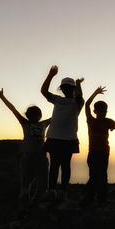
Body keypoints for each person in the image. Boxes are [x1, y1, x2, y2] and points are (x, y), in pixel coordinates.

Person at [0, 86, 50, 210]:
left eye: (36, 115)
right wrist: (2, 97)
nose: (34, 117)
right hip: (28, 157)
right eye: (32, 115)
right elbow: (13, 110)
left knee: (43, 185)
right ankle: (24, 208)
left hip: (40, 157)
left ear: (40, 115)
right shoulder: (25, 123)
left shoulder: (43, 124)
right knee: (25, 186)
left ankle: (33, 205)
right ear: (28, 116)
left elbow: (57, 116)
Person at [41, 65, 84, 201]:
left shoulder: (78, 102)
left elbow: (79, 97)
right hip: (54, 136)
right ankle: (51, 190)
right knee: (54, 165)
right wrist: (50, 75)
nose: (66, 90)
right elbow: (44, 91)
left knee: (65, 165)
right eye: (64, 87)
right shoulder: (57, 100)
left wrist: (78, 85)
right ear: (61, 89)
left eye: (69, 88)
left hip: (69, 138)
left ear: (73, 89)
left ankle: (63, 191)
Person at [84, 86, 115, 204]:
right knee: (93, 175)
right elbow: (87, 105)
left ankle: (102, 199)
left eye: (104, 111)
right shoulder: (91, 120)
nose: (102, 113)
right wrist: (95, 93)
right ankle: (90, 198)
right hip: (93, 152)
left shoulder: (108, 121)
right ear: (95, 111)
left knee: (102, 176)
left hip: (104, 152)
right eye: (100, 111)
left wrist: (112, 127)